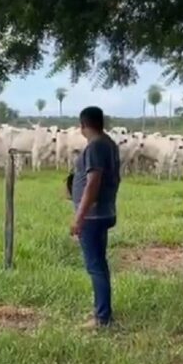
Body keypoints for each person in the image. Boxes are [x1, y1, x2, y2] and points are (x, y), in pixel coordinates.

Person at [69, 106, 121, 328]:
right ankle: (103, 311)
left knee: (95, 266)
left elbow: (93, 182)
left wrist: (79, 216)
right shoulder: (109, 144)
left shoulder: (95, 147)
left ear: (83, 125)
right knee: (100, 264)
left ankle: (102, 318)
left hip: (93, 216)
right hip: (105, 211)